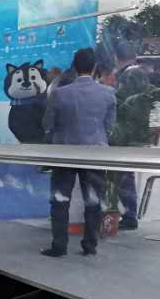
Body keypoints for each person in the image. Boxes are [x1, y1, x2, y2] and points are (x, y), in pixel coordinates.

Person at [41, 48, 116, 257]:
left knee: (60, 199)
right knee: (93, 200)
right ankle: (90, 245)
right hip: (95, 153)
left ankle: (59, 246)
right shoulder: (108, 94)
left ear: (74, 66)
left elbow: (47, 123)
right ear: (94, 67)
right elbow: (110, 126)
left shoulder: (59, 93)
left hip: (64, 153)